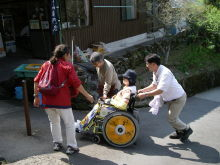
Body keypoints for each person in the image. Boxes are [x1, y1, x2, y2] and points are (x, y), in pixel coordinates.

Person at [33, 44, 94, 154]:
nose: (70, 56)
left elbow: (36, 81)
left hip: (47, 100)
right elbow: (77, 84)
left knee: (54, 122)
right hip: (62, 101)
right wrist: (87, 95)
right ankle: (71, 146)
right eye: (69, 54)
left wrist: (36, 97)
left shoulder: (46, 64)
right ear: (66, 54)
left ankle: (57, 143)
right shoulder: (67, 66)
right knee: (69, 123)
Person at [137, 53, 193, 142]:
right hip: (171, 99)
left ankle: (186, 129)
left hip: (178, 99)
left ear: (153, 64)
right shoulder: (156, 71)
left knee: (172, 118)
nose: (146, 66)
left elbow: (160, 90)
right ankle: (180, 131)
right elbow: (154, 85)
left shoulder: (165, 73)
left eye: (147, 64)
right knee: (171, 118)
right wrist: (143, 90)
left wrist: (145, 95)